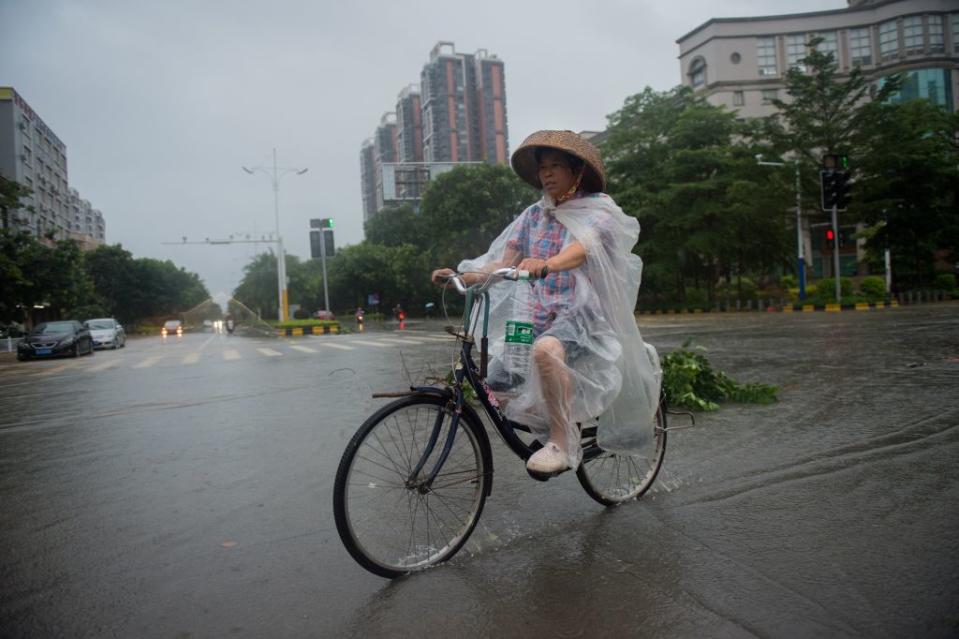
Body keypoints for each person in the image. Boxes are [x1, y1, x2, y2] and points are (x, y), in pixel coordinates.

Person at [431, 130, 661, 476]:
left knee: (545, 351)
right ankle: (550, 415)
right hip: (536, 315)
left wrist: (548, 263)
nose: (547, 174)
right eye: (543, 168)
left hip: (581, 316)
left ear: (576, 171)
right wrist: (464, 276)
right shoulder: (532, 216)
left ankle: (562, 442)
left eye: (556, 166)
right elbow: (501, 263)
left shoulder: (598, 213)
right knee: (497, 382)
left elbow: (580, 250)